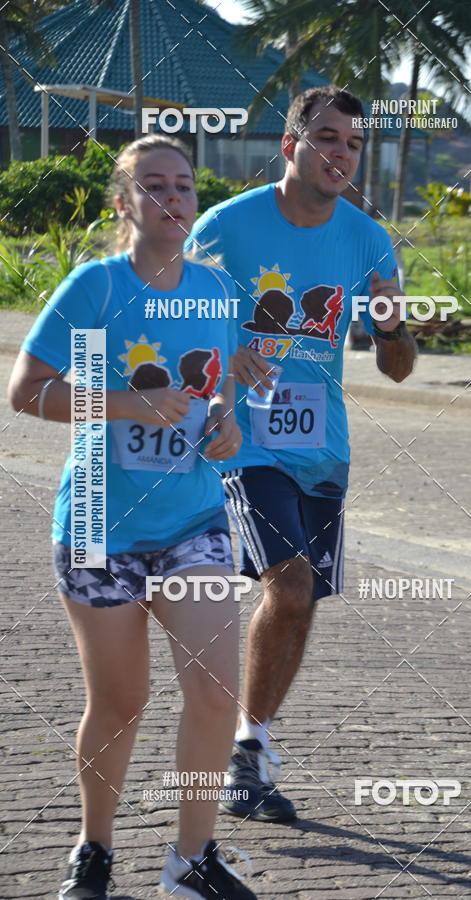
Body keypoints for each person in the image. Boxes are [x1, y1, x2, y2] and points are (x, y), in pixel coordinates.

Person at [8, 135, 257, 900]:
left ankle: (192, 860)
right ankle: (94, 849)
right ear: (124, 204)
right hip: (98, 523)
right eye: (154, 186)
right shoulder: (96, 286)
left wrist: (227, 424)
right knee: (120, 703)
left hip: (194, 517)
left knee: (217, 692)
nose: (173, 198)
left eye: (183, 186)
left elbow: (221, 397)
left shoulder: (217, 292)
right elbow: (27, 391)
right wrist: (127, 403)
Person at [186, 86, 417, 823]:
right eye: (326, 137)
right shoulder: (226, 228)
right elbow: (169, 322)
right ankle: (236, 748)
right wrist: (230, 348)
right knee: (287, 587)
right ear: (290, 147)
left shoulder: (368, 240)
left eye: (353, 143)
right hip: (239, 438)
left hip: (322, 446)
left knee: (301, 599)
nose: (341, 153)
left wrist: (389, 324)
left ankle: (250, 748)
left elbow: (400, 368)